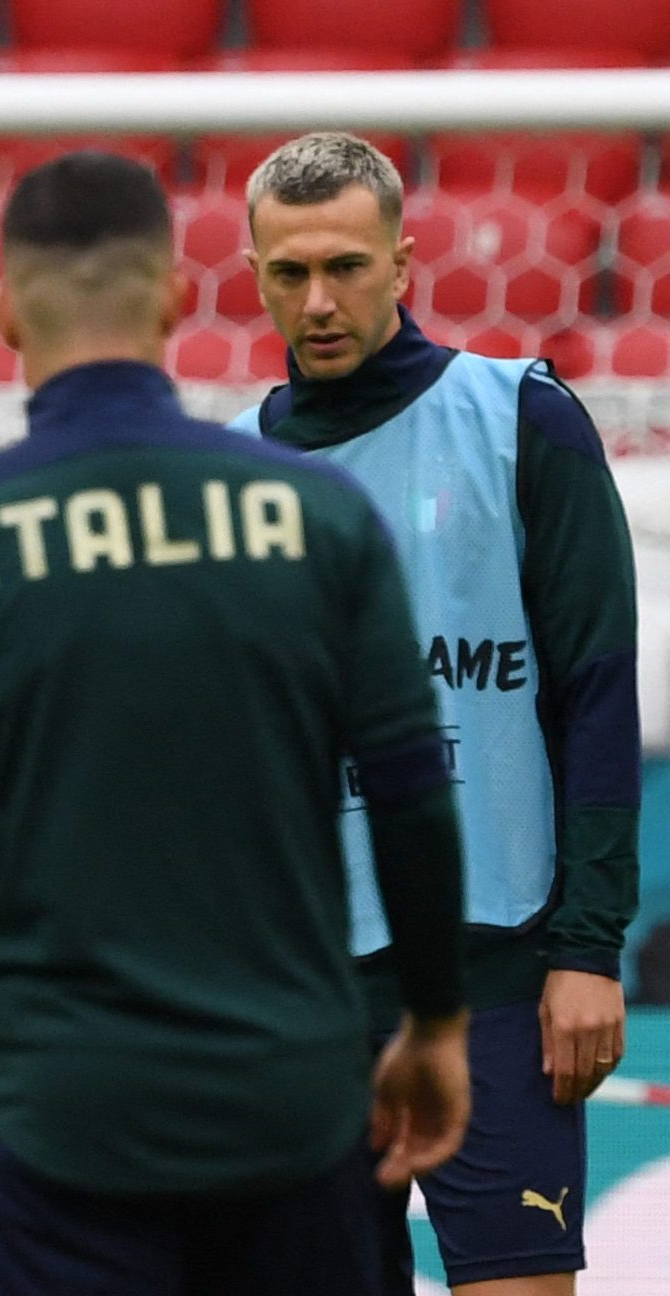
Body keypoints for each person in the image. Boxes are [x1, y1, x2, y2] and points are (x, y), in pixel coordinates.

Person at [0, 152, 474, 1296]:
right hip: (292, 1094)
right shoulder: (317, 517)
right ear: (178, 296)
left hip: (63, 1105)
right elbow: (414, 793)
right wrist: (432, 1021)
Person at [235, 131, 640, 1296]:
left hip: (496, 971)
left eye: (347, 266)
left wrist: (587, 947)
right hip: (303, 994)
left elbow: (597, 688)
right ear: (254, 274)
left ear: (403, 262)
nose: (318, 300)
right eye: (288, 272)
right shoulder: (231, 473)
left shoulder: (520, 419)